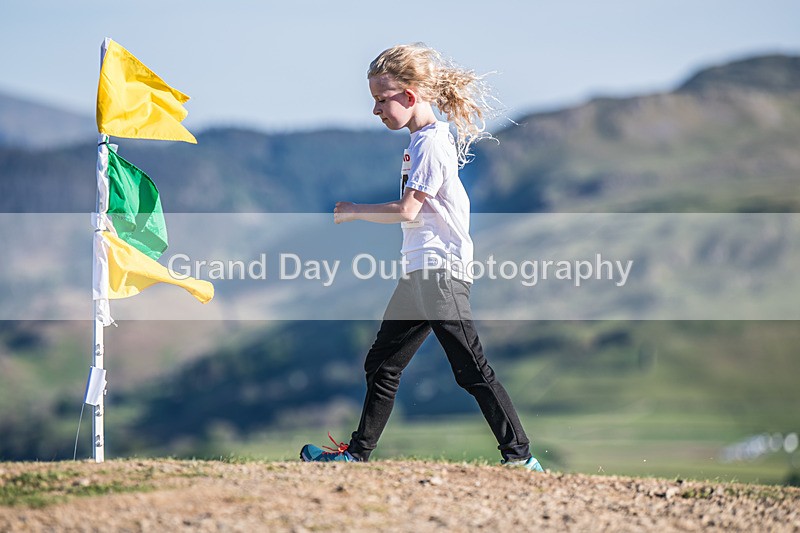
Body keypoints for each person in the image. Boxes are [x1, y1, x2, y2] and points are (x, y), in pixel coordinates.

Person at [300, 43, 543, 472]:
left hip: (440, 273)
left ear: (409, 97)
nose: (376, 110)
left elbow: (408, 210)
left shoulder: (431, 144)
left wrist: (355, 210)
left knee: (471, 369)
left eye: (381, 99)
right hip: (420, 272)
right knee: (382, 362)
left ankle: (521, 458)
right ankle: (357, 454)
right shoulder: (419, 142)